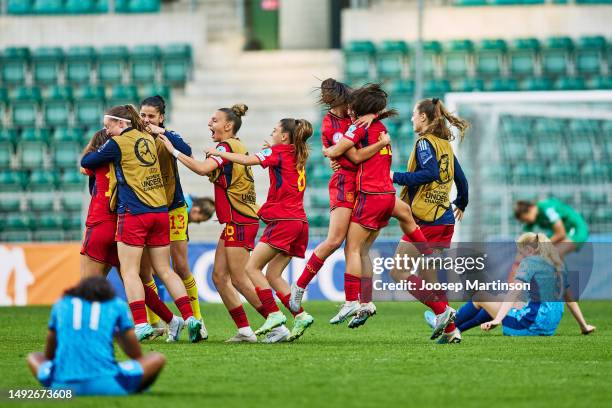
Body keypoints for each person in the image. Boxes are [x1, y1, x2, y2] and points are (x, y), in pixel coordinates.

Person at [160, 104, 290, 343]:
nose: (210, 124)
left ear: (228, 125)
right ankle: (245, 330)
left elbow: (201, 169)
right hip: (235, 220)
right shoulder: (235, 146)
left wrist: (174, 152)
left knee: (239, 278)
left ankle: (276, 321)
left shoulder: (226, 147)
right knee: (220, 277)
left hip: (240, 219)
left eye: (214, 120)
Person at [81, 105, 202, 342]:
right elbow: (184, 149)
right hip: (159, 212)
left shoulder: (115, 145)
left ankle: (141, 324)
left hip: (132, 214)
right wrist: (161, 131)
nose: (107, 130)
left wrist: (105, 144)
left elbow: (88, 160)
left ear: (121, 123)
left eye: (109, 126)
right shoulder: (149, 137)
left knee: (129, 272)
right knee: (165, 270)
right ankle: (190, 318)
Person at [289, 78, 390, 323]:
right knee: (335, 241)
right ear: (333, 102)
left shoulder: (357, 114)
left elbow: (372, 105)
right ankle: (300, 286)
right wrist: (376, 143)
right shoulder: (330, 124)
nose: (351, 107)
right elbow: (351, 157)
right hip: (346, 184)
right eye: (346, 103)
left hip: (368, 184)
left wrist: (373, 115)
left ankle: (364, 302)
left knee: (360, 248)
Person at [205, 118, 316, 341]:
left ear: (284, 136)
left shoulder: (278, 152)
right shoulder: (297, 153)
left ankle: (273, 314)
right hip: (300, 222)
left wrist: (218, 154)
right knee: (273, 275)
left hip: (283, 220)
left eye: (275, 130)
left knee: (251, 268)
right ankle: (300, 315)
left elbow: (246, 160)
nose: (272, 132)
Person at [390, 97, 469, 344]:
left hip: (427, 219)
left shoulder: (425, 143)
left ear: (423, 117)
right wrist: (461, 203)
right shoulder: (444, 144)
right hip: (444, 218)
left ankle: (442, 312)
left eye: (414, 114)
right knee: (428, 277)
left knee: (398, 272)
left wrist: (394, 176)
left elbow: (429, 173)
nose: (412, 118)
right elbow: (462, 180)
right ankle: (450, 330)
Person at [138, 95, 208, 340]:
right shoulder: (132, 139)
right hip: (146, 209)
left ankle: (197, 320)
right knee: (145, 271)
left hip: (173, 207)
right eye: (142, 115)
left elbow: (186, 151)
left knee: (179, 266)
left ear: (161, 117)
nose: (146, 120)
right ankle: (156, 324)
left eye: (150, 116)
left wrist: (162, 132)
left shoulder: (167, 136)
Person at [27, 277, 166, 396]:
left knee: (34, 357)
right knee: (157, 358)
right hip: (107, 383)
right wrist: (117, 333)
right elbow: (136, 355)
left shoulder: (61, 304)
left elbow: (49, 355)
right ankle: (133, 387)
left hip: (61, 385)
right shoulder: (116, 305)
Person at [447, 233, 567, 336]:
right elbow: (569, 298)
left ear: (530, 250)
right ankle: (455, 329)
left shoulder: (530, 263)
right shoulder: (557, 266)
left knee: (480, 296)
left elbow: (514, 292)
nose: (519, 257)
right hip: (548, 329)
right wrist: (584, 326)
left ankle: (447, 325)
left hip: (529, 328)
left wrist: (497, 320)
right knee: (500, 298)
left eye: (521, 252)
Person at [514, 199, 595, 334]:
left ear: (530, 210)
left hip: (575, 230)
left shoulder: (546, 208)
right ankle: (583, 325)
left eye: (525, 219)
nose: (526, 222)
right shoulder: (532, 220)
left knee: (553, 255)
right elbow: (524, 242)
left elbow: (561, 233)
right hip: (561, 236)